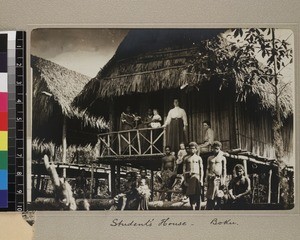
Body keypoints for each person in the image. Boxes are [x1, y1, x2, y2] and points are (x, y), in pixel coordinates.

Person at [205, 141, 227, 210]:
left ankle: (218, 209)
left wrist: (223, 180)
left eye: (217, 148)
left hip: (218, 179)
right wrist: (206, 179)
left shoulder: (222, 158)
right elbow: (207, 169)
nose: (215, 150)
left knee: (219, 195)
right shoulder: (209, 158)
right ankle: (210, 209)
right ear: (212, 149)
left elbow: (224, 170)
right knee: (210, 196)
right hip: (211, 178)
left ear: (220, 148)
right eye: (214, 148)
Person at [183, 142, 204, 210]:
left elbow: (201, 169)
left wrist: (201, 180)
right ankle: (193, 210)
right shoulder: (186, 158)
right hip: (189, 177)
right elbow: (184, 170)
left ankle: (199, 209)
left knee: (198, 195)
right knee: (191, 195)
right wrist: (185, 180)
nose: (191, 150)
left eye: (193, 148)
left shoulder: (199, 158)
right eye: (190, 148)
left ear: (196, 149)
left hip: (197, 177)